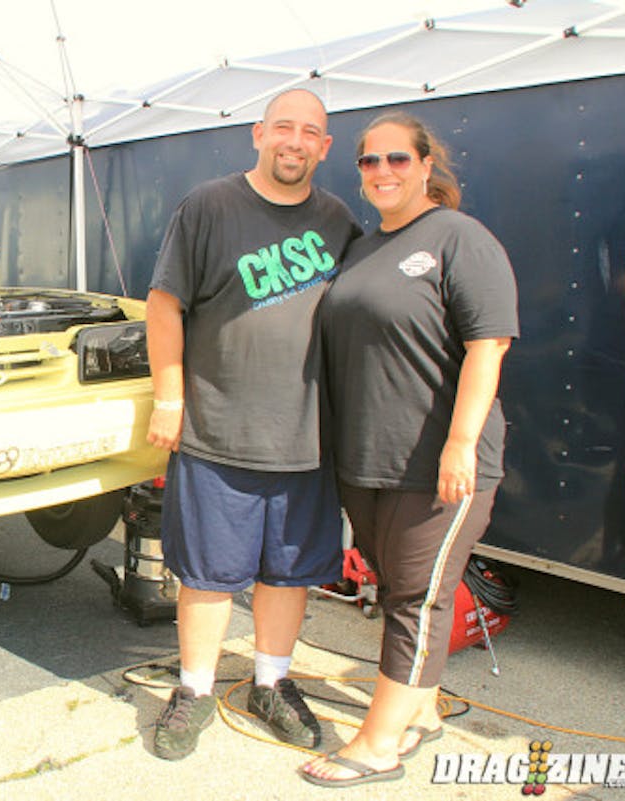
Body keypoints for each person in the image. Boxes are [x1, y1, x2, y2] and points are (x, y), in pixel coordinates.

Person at [302, 112, 518, 787]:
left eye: (398, 159)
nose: (383, 171)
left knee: (416, 599)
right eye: (369, 161)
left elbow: (489, 344)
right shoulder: (364, 247)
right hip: (368, 458)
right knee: (396, 589)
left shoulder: (460, 238)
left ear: (427, 165)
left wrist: (459, 444)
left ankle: (378, 744)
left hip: (439, 463)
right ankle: (419, 708)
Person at [145, 88, 361, 761]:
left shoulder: (338, 220)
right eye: (284, 128)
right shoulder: (209, 205)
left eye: (311, 133)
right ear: (258, 134)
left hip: (305, 436)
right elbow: (163, 304)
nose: (295, 142)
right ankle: (194, 690)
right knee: (208, 572)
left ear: (325, 148)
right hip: (216, 429)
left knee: (288, 572)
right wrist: (169, 396)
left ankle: (271, 681)